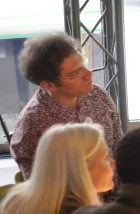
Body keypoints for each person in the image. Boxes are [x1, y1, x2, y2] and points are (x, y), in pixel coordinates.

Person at [10, 33, 123, 188]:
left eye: (83, 65)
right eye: (75, 73)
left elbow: (118, 146)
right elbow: (44, 192)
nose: (88, 74)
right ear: (50, 85)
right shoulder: (32, 125)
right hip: (75, 207)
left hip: (117, 195)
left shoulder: (98, 95)